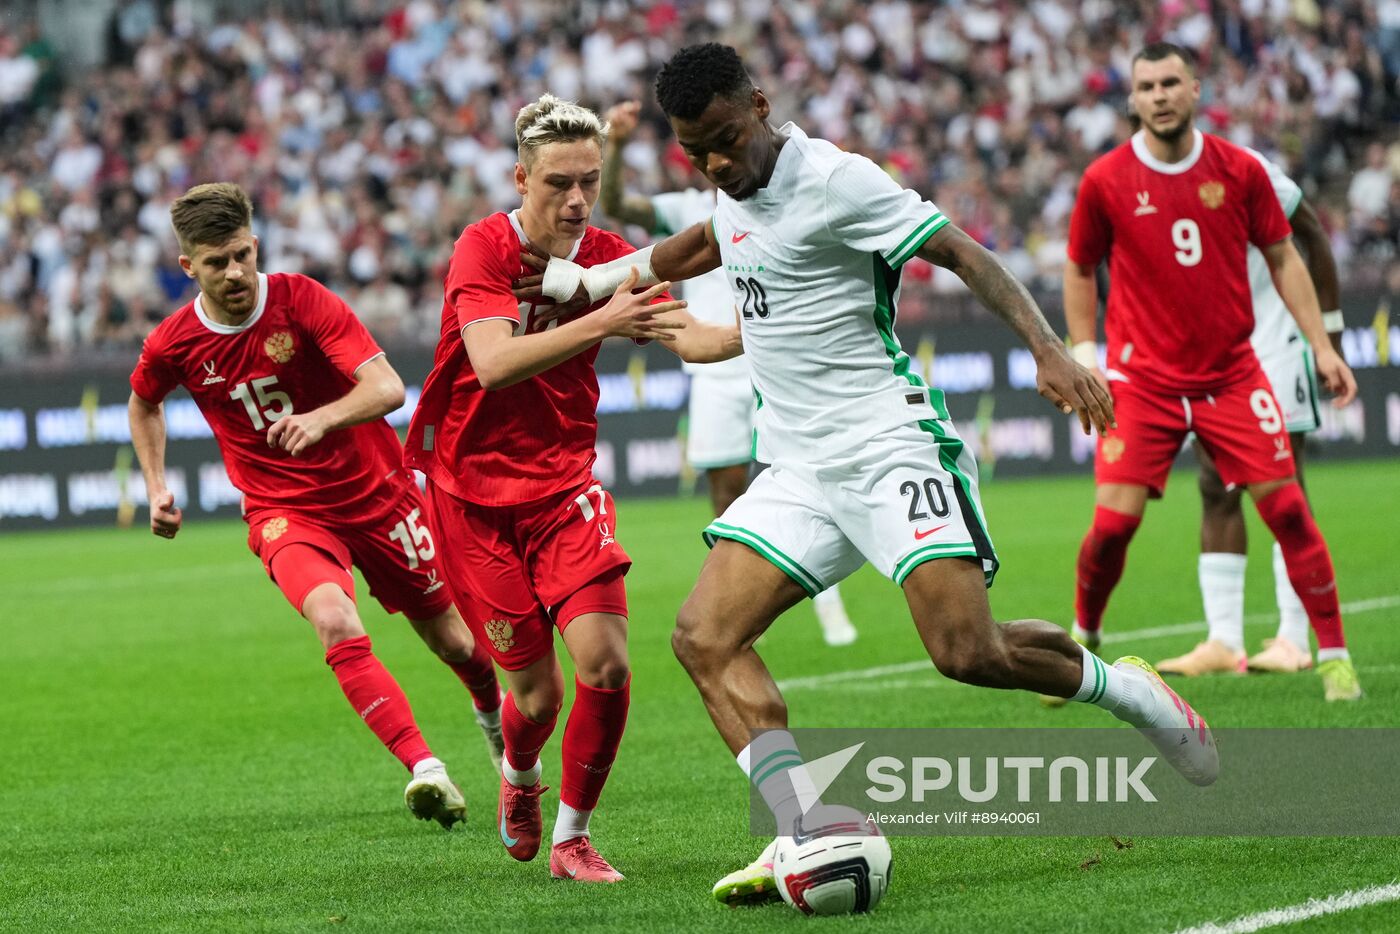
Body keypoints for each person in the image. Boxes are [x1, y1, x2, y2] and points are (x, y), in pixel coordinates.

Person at [528, 43, 1220, 906]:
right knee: (704, 638)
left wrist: (1049, 350)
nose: (712, 161)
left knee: (968, 653)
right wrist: (582, 281)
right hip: (799, 466)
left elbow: (964, 252)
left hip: (890, 447)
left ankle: (1133, 695)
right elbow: (697, 246)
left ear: (760, 104)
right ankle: (802, 828)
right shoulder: (730, 181)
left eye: (723, 139)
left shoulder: (837, 180)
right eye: (692, 148)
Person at [403, 95, 741, 883]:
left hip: (563, 490)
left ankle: (572, 839)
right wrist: (602, 320)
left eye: (589, 181)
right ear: (521, 178)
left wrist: (769, 329)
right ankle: (518, 777)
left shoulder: (608, 256)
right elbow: (491, 364)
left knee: (608, 664)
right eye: (558, 183)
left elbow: (692, 335)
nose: (578, 201)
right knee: (537, 696)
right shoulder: (484, 249)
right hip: (470, 498)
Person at [127, 182, 503, 831]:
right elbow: (144, 402)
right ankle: (425, 767)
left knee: (454, 640)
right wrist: (156, 485)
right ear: (188, 266)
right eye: (217, 263)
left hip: (378, 497)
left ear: (255, 243)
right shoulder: (174, 341)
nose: (236, 272)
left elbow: (386, 387)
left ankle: (498, 731)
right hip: (284, 510)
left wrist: (322, 418)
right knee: (333, 618)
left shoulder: (301, 300)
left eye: (244, 254)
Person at [1060, 44, 1360, 701]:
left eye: (1172, 82)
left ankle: (1333, 657)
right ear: (1132, 98)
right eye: (1147, 86)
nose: (1160, 95)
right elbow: (1080, 267)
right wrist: (1085, 357)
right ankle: (1083, 639)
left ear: (1195, 90)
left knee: (1288, 509)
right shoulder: (1105, 180)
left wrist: (1325, 345)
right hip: (1143, 381)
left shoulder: (1243, 169)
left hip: (1233, 375)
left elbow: (1286, 256)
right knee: (1113, 527)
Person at [598, 98, 857, 647]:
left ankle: (827, 600)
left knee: (801, 480)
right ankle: (739, 610)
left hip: (766, 361)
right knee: (728, 493)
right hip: (710, 367)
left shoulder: (783, 199)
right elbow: (618, 202)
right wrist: (615, 146)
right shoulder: (689, 208)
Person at [1158, 151, 1349, 677]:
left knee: (1284, 488)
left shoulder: (1245, 168)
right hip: (1214, 352)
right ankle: (1223, 641)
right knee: (1214, 485)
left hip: (1277, 337)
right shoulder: (1138, 183)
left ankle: (1293, 637)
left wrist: (1327, 337)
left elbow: (1310, 235)